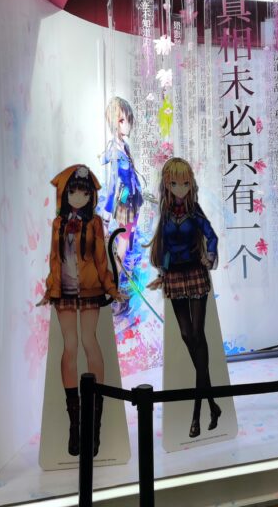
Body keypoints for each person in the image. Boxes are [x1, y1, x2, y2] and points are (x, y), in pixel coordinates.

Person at [37, 164, 126, 456]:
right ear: (64, 194)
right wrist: (50, 289)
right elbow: (54, 260)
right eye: (73, 191)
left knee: (89, 342)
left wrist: (111, 288)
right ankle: (74, 426)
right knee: (70, 347)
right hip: (64, 291)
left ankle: (94, 426)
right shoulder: (57, 224)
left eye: (84, 193)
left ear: (91, 196)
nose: (78, 197)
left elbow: (101, 259)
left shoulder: (95, 223)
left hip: (89, 290)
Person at [146, 158, 221, 439]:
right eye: (174, 183)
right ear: (167, 184)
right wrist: (162, 273)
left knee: (197, 334)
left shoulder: (194, 211)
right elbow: (164, 247)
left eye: (185, 183)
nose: (180, 188)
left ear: (191, 184)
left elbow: (211, 236)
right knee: (187, 335)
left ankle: (197, 413)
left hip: (195, 273)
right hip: (175, 276)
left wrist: (209, 256)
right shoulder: (166, 214)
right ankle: (212, 403)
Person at [100, 97, 144, 266]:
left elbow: (132, 174)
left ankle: (127, 266)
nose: (127, 125)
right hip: (125, 201)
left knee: (129, 237)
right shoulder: (114, 152)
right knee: (123, 241)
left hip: (134, 198)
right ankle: (117, 276)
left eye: (128, 120)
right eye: (121, 120)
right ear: (113, 122)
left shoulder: (125, 146)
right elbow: (112, 186)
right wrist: (105, 219)